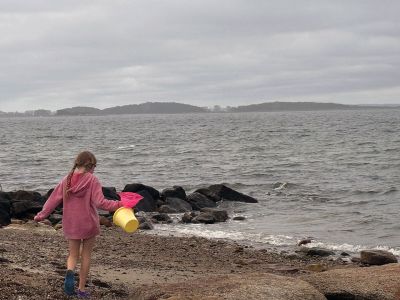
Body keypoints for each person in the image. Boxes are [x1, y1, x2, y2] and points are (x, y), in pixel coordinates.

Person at [34, 151, 123, 298]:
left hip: (71, 223)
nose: (95, 169)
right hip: (88, 223)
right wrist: (120, 204)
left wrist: (41, 215)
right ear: (89, 164)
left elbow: (52, 200)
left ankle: (70, 271)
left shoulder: (66, 179)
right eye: (94, 166)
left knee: (73, 254)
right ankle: (81, 289)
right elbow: (101, 203)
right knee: (86, 255)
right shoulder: (92, 180)